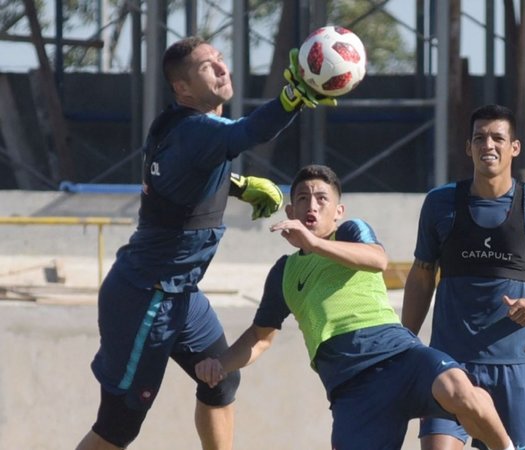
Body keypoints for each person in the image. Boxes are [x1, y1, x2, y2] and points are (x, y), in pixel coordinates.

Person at [76, 37, 336, 450]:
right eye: (206, 67)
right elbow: (249, 131)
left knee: (222, 378)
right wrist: (294, 96)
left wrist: (236, 185)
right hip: (147, 298)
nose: (221, 68)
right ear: (182, 88)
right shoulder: (200, 131)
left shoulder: (174, 127)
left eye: (220, 58)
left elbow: (180, 176)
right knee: (118, 425)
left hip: (180, 294)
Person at [195, 164, 516, 450]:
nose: (312, 205)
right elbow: (259, 337)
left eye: (322, 198)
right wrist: (222, 364)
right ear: (291, 211)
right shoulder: (283, 272)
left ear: (338, 211)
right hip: (352, 389)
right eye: (303, 198)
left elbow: (377, 259)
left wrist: (315, 243)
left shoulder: (351, 232)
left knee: (457, 388)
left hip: (400, 357)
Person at [402, 104, 525, 450]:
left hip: (510, 364)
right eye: (480, 138)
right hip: (448, 361)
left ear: (515, 147)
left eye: (498, 137)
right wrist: (405, 345)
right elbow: (422, 276)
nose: (489, 145)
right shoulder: (440, 203)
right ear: (468, 147)